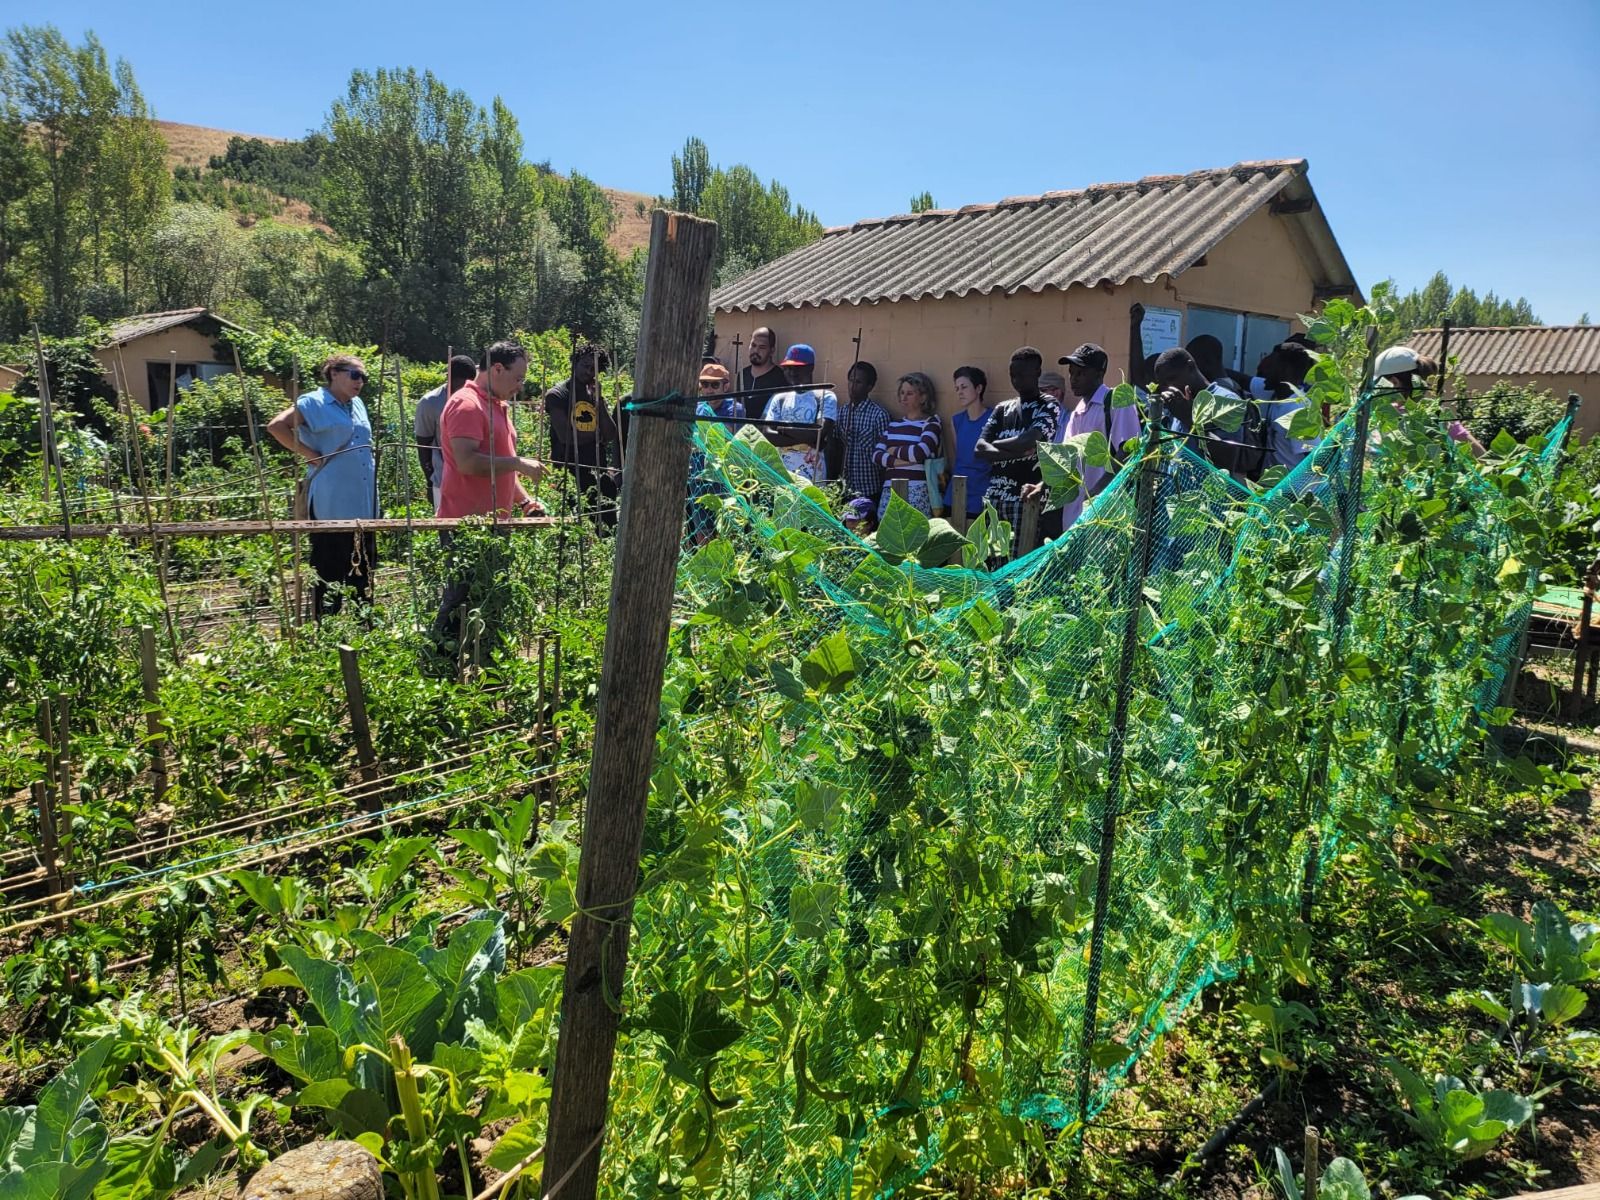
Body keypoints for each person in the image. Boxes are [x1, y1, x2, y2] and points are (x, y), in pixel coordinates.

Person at [435, 341, 547, 630]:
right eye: (518, 378)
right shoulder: (467, 404)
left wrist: (524, 502)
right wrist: (519, 464)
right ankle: (440, 663)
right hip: (466, 524)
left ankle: (481, 664)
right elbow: (467, 463)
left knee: (489, 600)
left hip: (494, 522)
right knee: (461, 601)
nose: (520, 386)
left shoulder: (496, 406)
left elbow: (501, 468)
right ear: (497, 368)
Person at [266, 353, 376, 619]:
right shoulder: (314, 401)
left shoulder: (358, 404)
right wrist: (310, 455)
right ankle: (326, 625)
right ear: (334, 374)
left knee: (364, 564)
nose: (360, 381)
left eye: (364, 377)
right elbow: (277, 426)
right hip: (332, 500)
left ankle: (365, 626)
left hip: (363, 500)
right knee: (330, 563)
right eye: (354, 375)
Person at [1025, 343, 1143, 533]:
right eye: (1071, 373)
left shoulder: (1116, 401)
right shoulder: (1077, 412)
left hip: (1108, 515)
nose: (1073, 379)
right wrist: (1041, 486)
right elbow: (1066, 459)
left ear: (1099, 373)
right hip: (1076, 517)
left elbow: (1127, 452)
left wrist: (1098, 495)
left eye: (1081, 373)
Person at [975, 346, 1059, 530]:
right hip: (994, 498)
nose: (1016, 380)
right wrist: (1020, 453)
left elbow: (1029, 441)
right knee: (991, 557)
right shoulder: (1002, 409)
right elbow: (980, 449)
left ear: (1037, 372)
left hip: (1025, 499)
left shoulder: (1048, 405)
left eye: (1022, 374)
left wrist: (996, 445)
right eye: (1013, 374)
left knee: (1020, 557)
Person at [545, 341, 622, 516]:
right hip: (570, 475)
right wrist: (596, 435)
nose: (588, 372)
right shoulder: (558, 395)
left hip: (598, 472)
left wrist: (599, 400)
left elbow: (610, 434)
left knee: (605, 528)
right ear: (575, 361)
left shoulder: (593, 395)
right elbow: (566, 437)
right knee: (573, 527)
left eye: (593, 369)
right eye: (585, 366)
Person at [1373, 345, 1485, 455]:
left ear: (1394, 382)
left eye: (1378, 384)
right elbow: (1481, 455)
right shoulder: (1436, 414)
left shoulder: (1379, 416)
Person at [1152, 347, 1246, 475]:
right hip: (1177, 493)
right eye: (1163, 383)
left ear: (1190, 367)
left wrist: (1188, 418)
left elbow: (1227, 460)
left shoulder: (1225, 400)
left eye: (1172, 378)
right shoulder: (1178, 402)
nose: (1168, 387)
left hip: (1207, 492)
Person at [762, 344, 838, 483]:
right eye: (788, 368)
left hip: (813, 476)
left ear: (811, 368)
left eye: (797, 368)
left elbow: (819, 432)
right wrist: (810, 440)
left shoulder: (824, 396)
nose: (792, 373)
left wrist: (783, 428)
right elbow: (768, 435)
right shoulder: (779, 398)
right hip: (782, 475)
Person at [871, 372, 943, 518]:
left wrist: (892, 451)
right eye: (902, 393)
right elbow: (876, 455)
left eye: (909, 393)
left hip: (917, 491)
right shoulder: (893, 425)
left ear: (923, 397)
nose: (903, 397)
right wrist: (902, 461)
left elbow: (920, 452)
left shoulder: (931, 422)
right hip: (890, 490)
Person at [414, 354, 478, 511]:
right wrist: (430, 481)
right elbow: (424, 444)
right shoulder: (431, 402)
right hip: (443, 479)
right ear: (448, 377)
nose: (460, 390)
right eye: (455, 384)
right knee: (446, 528)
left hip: (475, 479)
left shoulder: (479, 400)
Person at [942, 365, 996, 521]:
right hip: (956, 492)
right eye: (957, 388)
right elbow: (958, 456)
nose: (960, 392)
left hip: (982, 491)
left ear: (979, 388)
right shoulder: (956, 420)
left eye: (964, 387)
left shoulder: (994, 417)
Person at [837, 360, 892, 501]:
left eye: (858, 382)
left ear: (870, 387)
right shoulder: (842, 412)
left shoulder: (879, 415)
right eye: (850, 381)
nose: (852, 386)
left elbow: (884, 455)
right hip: (845, 488)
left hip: (870, 488)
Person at [740, 326, 787, 402]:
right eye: (753, 345)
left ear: (772, 351)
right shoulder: (742, 375)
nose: (756, 350)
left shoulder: (780, 378)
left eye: (762, 347)